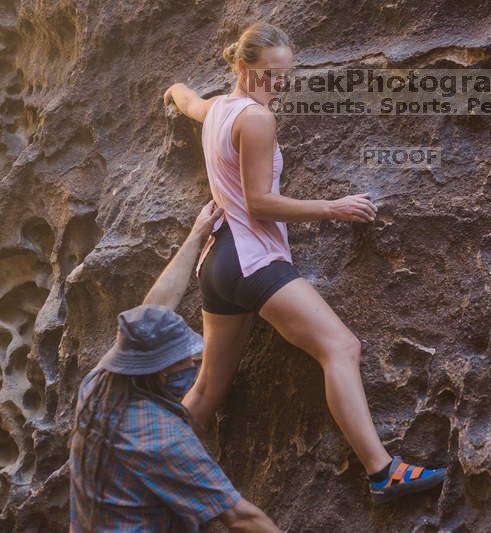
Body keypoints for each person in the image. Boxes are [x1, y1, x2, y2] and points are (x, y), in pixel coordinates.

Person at [163, 22, 447, 504]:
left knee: (208, 389)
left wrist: (170, 90)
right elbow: (259, 203)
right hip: (252, 257)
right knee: (341, 347)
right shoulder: (255, 118)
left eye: (284, 77)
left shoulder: (218, 108)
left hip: (217, 264)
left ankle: (146, 468)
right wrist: (333, 208)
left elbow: (186, 100)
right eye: (270, 75)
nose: (278, 85)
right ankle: (382, 473)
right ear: (242, 67)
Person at [68, 201, 282, 532]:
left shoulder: (99, 384)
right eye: (178, 363)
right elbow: (241, 518)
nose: (190, 363)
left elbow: (152, 312)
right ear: (156, 372)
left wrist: (196, 234)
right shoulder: (161, 436)